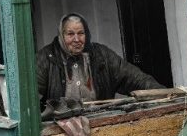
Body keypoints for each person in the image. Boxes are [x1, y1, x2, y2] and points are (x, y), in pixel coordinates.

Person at [36, 13, 164, 105]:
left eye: (81, 33)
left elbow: (134, 78)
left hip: (100, 123)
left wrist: (163, 93)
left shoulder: (101, 55)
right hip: (60, 130)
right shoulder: (47, 58)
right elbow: (31, 99)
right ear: (61, 36)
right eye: (70, 34)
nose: (76, 39)